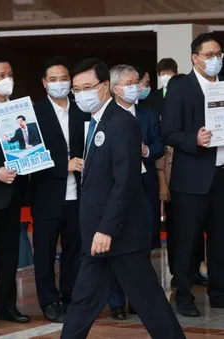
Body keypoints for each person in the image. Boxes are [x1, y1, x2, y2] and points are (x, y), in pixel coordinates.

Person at [61, 58, 185, 339]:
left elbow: (125, 182)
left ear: (105, 87)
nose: (81, 94)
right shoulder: (96, 122)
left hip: (119, 236)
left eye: (87, 87)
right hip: (98, 237)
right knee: (83, 301)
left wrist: (106, 229)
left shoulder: (121, 123)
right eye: (76, 89)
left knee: (149, 302)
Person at [162, 32, 224, 317]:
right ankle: (184, 294)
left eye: (219, 54)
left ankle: (219, 292)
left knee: (220, 239)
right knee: (187, 240)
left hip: (221, 175)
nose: (215, 60)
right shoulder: (180, 88)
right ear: (195, 58)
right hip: (191, 179)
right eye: (209, 55)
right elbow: (169, 132)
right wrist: (193, 140)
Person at [31, 56, 89, 323]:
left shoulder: (82, 111)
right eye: (53, 79)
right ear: (44, 83)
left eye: (64, 78)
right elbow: (27, 158)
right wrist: (62, 166)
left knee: (74, 250)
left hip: (78, 195)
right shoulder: (34, 114)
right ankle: (49, 300)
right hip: (47, 194)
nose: (59, 83)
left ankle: (70, 296)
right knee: (44, 252)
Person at [107, 64, 164, 320]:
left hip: (145, 187)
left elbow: (160, 145)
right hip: (116, 190)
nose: (135, 88)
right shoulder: (105, 117)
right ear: (114, 88)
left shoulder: (148, 115)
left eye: (136, 83)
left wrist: (145, 151)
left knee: (142, 245)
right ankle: (116, 301)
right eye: (129, 84)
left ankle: (139, 300)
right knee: (117, 245)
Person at [0, 57, 30, 328]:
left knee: (8, 256)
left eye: (11, 73)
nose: (8, 78)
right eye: (2, 74)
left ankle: (7, 307)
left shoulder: (18, 109)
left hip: (13, 195)